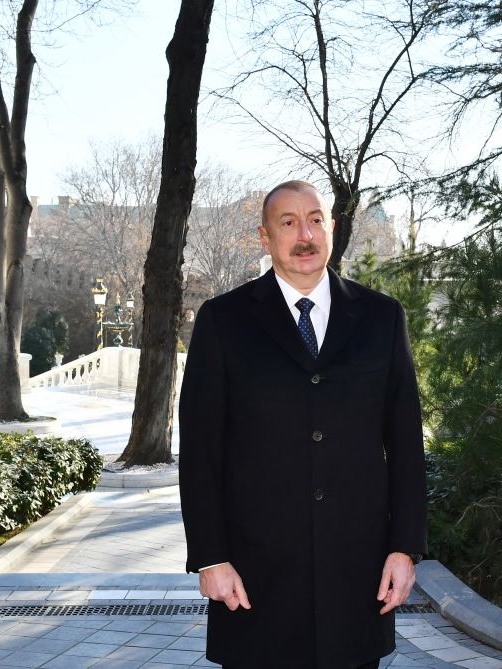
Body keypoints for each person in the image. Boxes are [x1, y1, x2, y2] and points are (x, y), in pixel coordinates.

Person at [179, 180, 427, 669]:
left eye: (315, 219)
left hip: (357, 574)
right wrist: (210, 558)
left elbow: (404, 442)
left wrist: (405, 548)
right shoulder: (222, 321)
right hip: (253, 578)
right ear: (264, 237)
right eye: (287, 223)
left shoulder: (382, 319)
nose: (304, 235)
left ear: (331, 228)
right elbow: (201, 451)